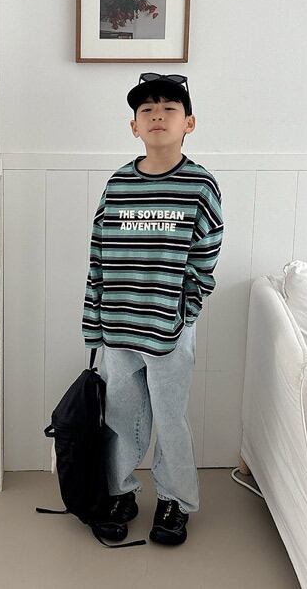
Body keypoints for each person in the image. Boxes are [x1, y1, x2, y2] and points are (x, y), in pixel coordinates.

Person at [81, 73, 224, 546]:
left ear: (189, 123)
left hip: (169, 328)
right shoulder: (119, 184)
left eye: (169, 109)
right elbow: (98, 255)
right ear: (134, 126)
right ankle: (120, 492)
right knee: (120, 417)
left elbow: (206, 257)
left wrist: (186, 311)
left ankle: (175, 499)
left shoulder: (199, 186)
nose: (157, 116)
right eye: (146, 110)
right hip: (119, 328)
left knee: (170, 418)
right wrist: (94, 323)